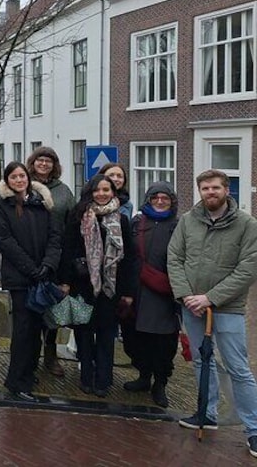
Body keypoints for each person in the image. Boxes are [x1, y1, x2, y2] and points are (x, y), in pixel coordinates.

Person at [168, 169, 257, 458]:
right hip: (192, 306)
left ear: (226, 190)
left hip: (226, 307)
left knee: (238, 368)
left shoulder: (246, 224)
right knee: (200, 362)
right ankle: (207, 413)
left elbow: (248, 268)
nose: (210, 193)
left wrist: (211, 298)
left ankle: (254, 429)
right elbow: (175, 257)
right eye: (205, 188)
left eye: (215, 188)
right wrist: (186, 296)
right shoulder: (188, 221)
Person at [60, 173, 136, 398]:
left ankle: (103, 380)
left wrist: (129, 292)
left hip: (110, 288)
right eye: (97, 190)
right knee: (83, 333)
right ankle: (86, 378)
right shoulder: (78, 216)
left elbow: (129, 257)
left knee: (105, 334)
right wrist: (65, 281)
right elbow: (68, 249)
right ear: (90, 192)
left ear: (113, 192)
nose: (101, 194)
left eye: (106, 190)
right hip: (82, 285)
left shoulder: (121, 219)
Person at [0, 162, 62, 402]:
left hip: (42, 274)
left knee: (37, 327)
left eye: (22, 176)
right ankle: (16, 380)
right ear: (7, 181)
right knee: (23, 330)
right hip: (20, 278)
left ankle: (29, 373)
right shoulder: (2, 207)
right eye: (14, 177)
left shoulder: (43, 204)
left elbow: (55, 236)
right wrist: (32, 269)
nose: (19, 180)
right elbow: (4, 240)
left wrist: (48, 264)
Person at [121, 182, 179, 408]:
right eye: (156, 197)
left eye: (165, 198)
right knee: (136, 337)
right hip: (137, 290)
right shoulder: (137, 223)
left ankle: (160, 383)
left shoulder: (178, 225)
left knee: (163, 341)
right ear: (148, 199)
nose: (160, 201)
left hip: (165, 291)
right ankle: (143, 376)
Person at [26, 146, 75, 377]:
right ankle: (30, 356)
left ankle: (51, 353)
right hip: (30, 254)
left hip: (57, 255)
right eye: (40, 160)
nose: (44, 164)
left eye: (48, 161)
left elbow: (73, 221)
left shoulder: (63, 191)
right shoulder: (23, 186)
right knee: (30, 308)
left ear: (54, 165)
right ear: (33, 163)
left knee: (53, 307)